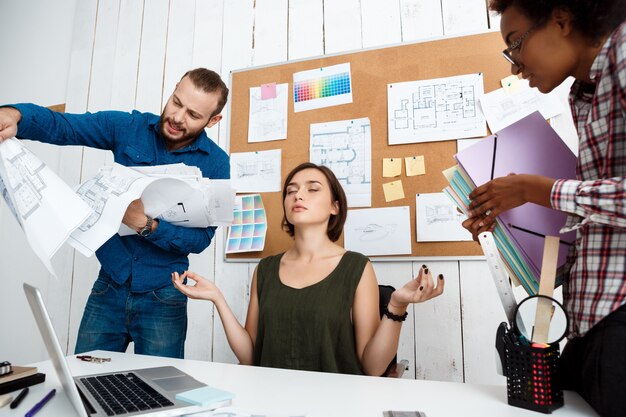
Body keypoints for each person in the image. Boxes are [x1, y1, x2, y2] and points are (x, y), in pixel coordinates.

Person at [462, 2, 626, 415]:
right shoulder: (581, 93)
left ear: (562, 19)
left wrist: (539, 191)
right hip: (591, 324)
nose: (515, 66)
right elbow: (600, 230)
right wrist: (502, 239)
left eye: (515, 44)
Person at [0, 68, 231, 359]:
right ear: (173, 90)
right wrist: (15, 115)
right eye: (176, 102)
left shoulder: (218, 164)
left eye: (193, 115)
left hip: (165, 293)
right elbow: (65, 126)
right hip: (110, 283)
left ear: (213, 121)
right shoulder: (129, 127)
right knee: (85, 381)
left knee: (159, 391)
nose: (177, 117)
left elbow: (199, 241)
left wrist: (145, 224)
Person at [173, 162, 444, 376]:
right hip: (271, 402)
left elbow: (372, 368)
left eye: (312, 189)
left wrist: (396, 305)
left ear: (335, 207)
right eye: (291, 190)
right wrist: (217, 298)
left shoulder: (357, 267)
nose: (298, 194)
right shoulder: (265, 269)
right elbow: (250, 356)